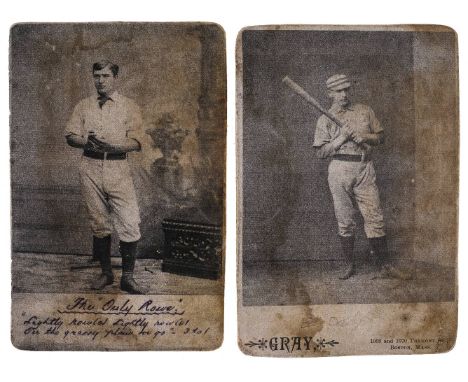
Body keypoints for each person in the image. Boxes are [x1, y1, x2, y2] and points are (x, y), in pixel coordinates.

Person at [313, 74, 409, 280]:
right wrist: (342, 138)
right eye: (338, 91)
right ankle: (348, 264)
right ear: (330, 94)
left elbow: (380, 137)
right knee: (345, 219)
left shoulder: (365, 111)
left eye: (346, 89)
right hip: (339, 169)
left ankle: (384, 265)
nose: (344, 94)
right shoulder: (324, 118)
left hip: (364, 167)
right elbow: (321, 153)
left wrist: (363, 136)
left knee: (374, 216)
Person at [65, 60, 147, 294]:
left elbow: (137, 141)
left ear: (115, 78)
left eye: (105, 76)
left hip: (117, 167)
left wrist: (113, 146)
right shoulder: (83, 105)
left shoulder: (129, 106)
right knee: (99, 222)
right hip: (89, 166)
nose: (100, 80)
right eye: (96, 76)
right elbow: (70, 136)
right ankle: (106, 273)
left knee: (130, 221)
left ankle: (128, 278)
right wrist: (87, 142)